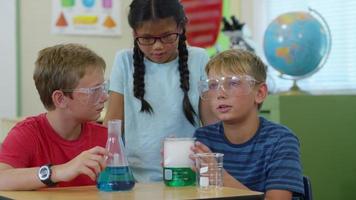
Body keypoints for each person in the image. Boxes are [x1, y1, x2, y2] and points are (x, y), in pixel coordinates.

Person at [104, 0, 216, 182]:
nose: (158, 46)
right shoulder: (124, 61)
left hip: (187, 177)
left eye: (167, 36)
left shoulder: (199, 58)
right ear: (134, 33)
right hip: (134, 180)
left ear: (181, 27)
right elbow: (113, 126)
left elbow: (212, 127)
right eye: (147, 39)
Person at [192, 49, 304, 199]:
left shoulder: (281, 140)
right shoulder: (204, 138)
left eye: (233, 83)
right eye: (213, 85)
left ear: (260, 93)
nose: (220, 93)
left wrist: (221, 177)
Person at [0, 44, 109, 190]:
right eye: (94, 91)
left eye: (103, 88)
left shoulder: (104, 136)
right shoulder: (27, 133)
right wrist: (58, 171)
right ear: (60, 99)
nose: (105, 96)